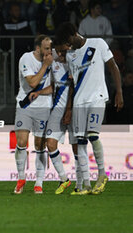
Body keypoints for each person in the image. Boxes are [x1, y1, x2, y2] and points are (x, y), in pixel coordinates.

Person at [55, 22, 124, 195]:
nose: (67, 46)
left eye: (68, 41)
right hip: (79, 101)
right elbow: (73, 83)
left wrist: (119, 91)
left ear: (73, 34)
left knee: (93, 136)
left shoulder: (98, 43)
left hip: (97, 98)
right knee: (81, 143)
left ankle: (102, 175)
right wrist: (69, 107)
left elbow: (113, 67)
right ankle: (85, 185)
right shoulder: (71, 56)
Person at [28, 41, 81, 194]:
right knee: (50, 144)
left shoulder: (74, 62)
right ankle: (64, 180)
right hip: (57, 109)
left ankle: (81, 183)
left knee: (77, 147)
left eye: (63, 51)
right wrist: (39, 92)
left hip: (73, 109)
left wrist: (69, 109)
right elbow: (55, 86)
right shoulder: (55, 65)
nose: (60, 54)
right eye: (58, 51)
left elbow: (73, 87)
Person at [13, 34, 53, 194]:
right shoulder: (26, 58)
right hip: (25, 106)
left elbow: (56, 86)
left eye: (51, 48)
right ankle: (21, 178)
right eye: (46, 48)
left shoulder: (55, 60)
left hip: (44, 107)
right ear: (38, 48)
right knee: (21, 141)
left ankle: (39, 183)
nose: (50, 51)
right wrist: (45, 66)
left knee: (40, 145)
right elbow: (32, 83)